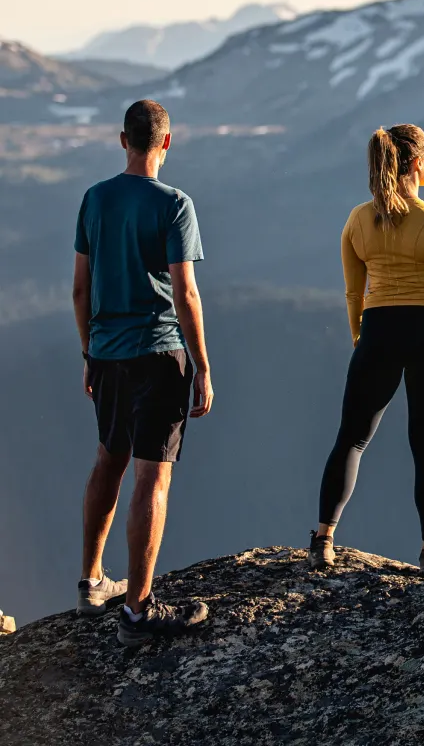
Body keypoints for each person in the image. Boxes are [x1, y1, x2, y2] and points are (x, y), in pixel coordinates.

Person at [73, 99, 213, 647]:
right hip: (158, 354)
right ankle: (137, 611)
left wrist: (89, 353)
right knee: (152, 476)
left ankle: (90, 583)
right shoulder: (175, 205)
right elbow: (185, 292)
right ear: (167, 143)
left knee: (109, 456)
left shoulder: (94, 199)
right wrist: (201, 365)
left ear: (122, 139)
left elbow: (81, 288)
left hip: (105, 353)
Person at [308, 123, 424, 579]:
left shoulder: (358, 220)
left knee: (352, 439)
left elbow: (352, 293)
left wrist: (360, 339)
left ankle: (323, 540)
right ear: (418, 163)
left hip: (378, 330)